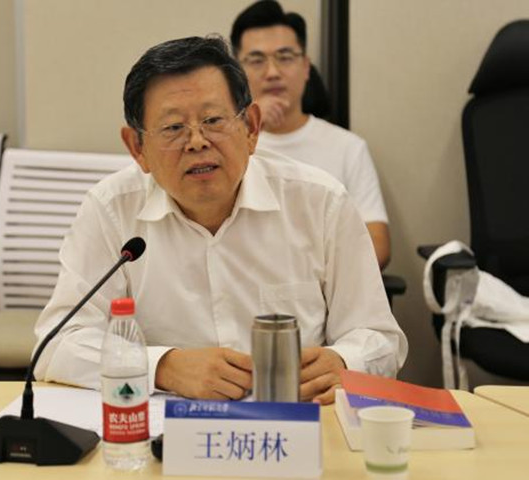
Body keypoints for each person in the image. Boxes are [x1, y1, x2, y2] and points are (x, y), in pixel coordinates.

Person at [33, 35, 407, 405]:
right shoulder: (111, 210)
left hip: (294, 424)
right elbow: (58, 343)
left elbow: (380, 338)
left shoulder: (319, 202)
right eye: (173, 128)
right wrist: (163, 367)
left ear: (251, 128)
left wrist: (344, 361)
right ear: (137, 148)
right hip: (167, 432)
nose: (197, 141)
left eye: (213, 120)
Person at [231, 0, 391, 269]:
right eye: (257, 60)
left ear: (306, 67)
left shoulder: (347, 147)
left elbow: (377, 245)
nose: (272, 72)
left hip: (323, 289)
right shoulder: (222, 147)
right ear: (237, 73)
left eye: (285, 57)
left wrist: (306, 277)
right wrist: (246, 128)